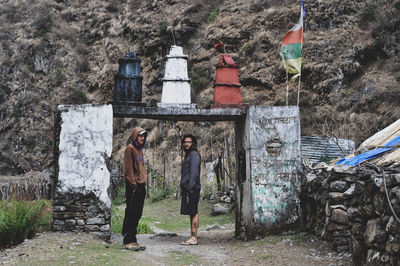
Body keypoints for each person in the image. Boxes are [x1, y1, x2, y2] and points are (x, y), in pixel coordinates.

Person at [122, 127, 148, 251]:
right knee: (131, 214)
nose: (142, 138)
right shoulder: (130, 149)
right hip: (134, 187)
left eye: (144, 136)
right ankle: (127, 240)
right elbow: (128, 170)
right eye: (140, 136)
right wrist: (133, 186)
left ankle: (133, 239)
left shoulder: (139, 149)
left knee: (137, 214)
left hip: (141, 187)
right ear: (135, 136)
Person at [180, 134, 201, 245]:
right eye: (185, 142)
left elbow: (194, 172)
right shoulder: (189, 155)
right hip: (189, 188)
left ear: (193, 143)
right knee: (191, 212)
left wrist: (190, 187)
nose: (187, 144)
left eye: (189, 142)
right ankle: (192, 236)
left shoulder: (194, 155)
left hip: (192, 188)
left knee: (193, 212)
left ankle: (194, 238)